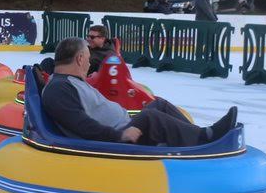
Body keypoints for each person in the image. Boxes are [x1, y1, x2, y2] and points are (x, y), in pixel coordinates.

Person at [41, 37, 237, 147]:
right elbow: (81, 125)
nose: (90, 62)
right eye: (89, 58)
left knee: (158, 104)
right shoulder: (59, 89)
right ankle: (206, 138)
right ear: (80, 58)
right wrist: (119, 136)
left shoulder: (70, 83)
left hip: (122, 127)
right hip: (117, 138)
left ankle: (198, 140)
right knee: (151, 116)